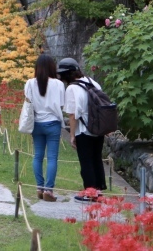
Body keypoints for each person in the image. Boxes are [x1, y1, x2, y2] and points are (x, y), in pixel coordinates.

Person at [57, 57, 108, 202]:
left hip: (83, 130)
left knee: (86, 161)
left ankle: (89, 192)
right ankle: (98, 190)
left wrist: (72, 135)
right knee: (96, 158)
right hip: (98, 128)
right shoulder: (93, 83)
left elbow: (73, 115)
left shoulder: (72, 88)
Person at [25, 54, 65, 202]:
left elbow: (28, 103)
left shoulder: (30, 83)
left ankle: (39, 187)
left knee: (38, 156)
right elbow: (61, 104)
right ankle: (49, 189)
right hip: (53, 122)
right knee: (52, 157)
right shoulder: (58, 84)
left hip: (36, 123)